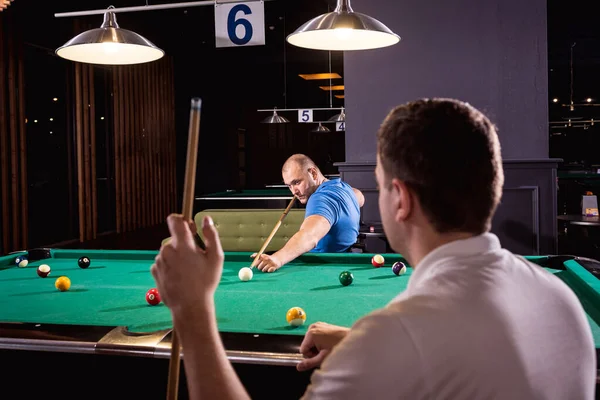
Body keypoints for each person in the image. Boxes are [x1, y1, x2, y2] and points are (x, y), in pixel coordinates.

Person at [151, 98, 596, 399]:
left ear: (400, 200)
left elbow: (417, 347)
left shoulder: (390, 341)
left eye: (382, 188)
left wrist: (192, 312)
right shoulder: (561, 298)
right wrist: (358, 342)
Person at [252, 154, 364, 272]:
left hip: (322, 267)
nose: (294, 191)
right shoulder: (343, 188)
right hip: (346, 259)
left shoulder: (320, 198)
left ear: (313, 173)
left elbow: (310, 236)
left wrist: (278, 259)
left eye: (297, 182)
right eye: (289, 185)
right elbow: (360, 197)